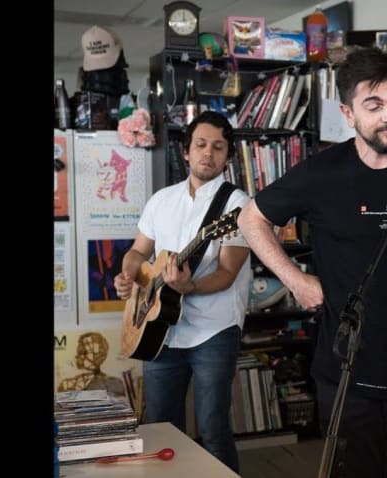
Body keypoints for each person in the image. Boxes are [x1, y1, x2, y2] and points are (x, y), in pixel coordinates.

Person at [237, 47, 387, 477]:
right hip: (346, 373)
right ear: (348, 113)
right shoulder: (321, 173)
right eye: (373, 105)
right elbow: (251, 218)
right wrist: (294, 278)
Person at [114, 111, 250, 473]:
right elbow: (138, 252)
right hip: (161, 332)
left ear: (228, 156)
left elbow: (227, 273)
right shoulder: (162, 200)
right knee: (160, 427)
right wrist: (128, 275)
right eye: (201, 145)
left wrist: (189, 286)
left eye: (218, 147)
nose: (208, 153)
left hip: (214, 331)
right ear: (186, 151)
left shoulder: (237, 206)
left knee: (213, 429)